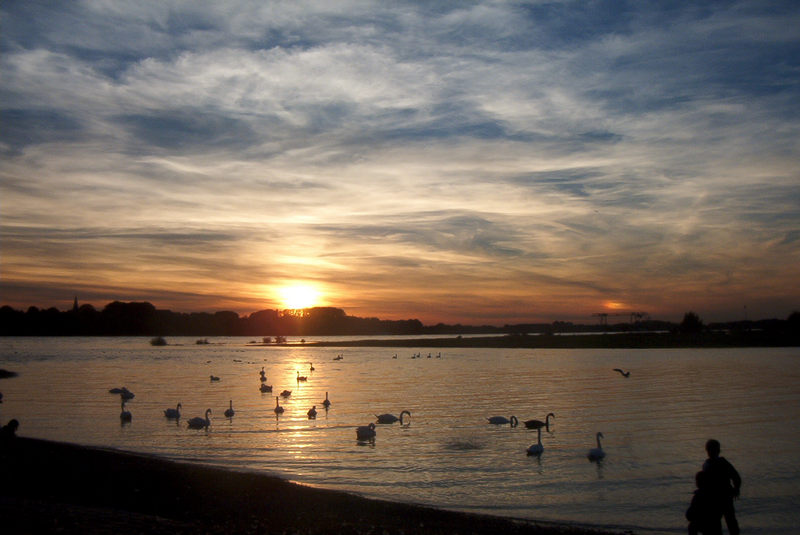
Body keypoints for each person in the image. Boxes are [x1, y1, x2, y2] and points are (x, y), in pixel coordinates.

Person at [702, 439, 741, 535]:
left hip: (720, 497)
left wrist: (736, 489)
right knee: (728, 521)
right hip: (721, 497)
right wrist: (736, 489)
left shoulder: (709, 465)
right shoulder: (714, 464)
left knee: (724, 522)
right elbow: (736, 477)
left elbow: (736, 477)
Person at [686, 470, 722, 535]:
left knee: (692, 526)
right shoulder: (716, 494)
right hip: (715, 523)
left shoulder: (699, 495)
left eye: (697, 481)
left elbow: (690, 514)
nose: (696, 483)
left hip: (705, 523)